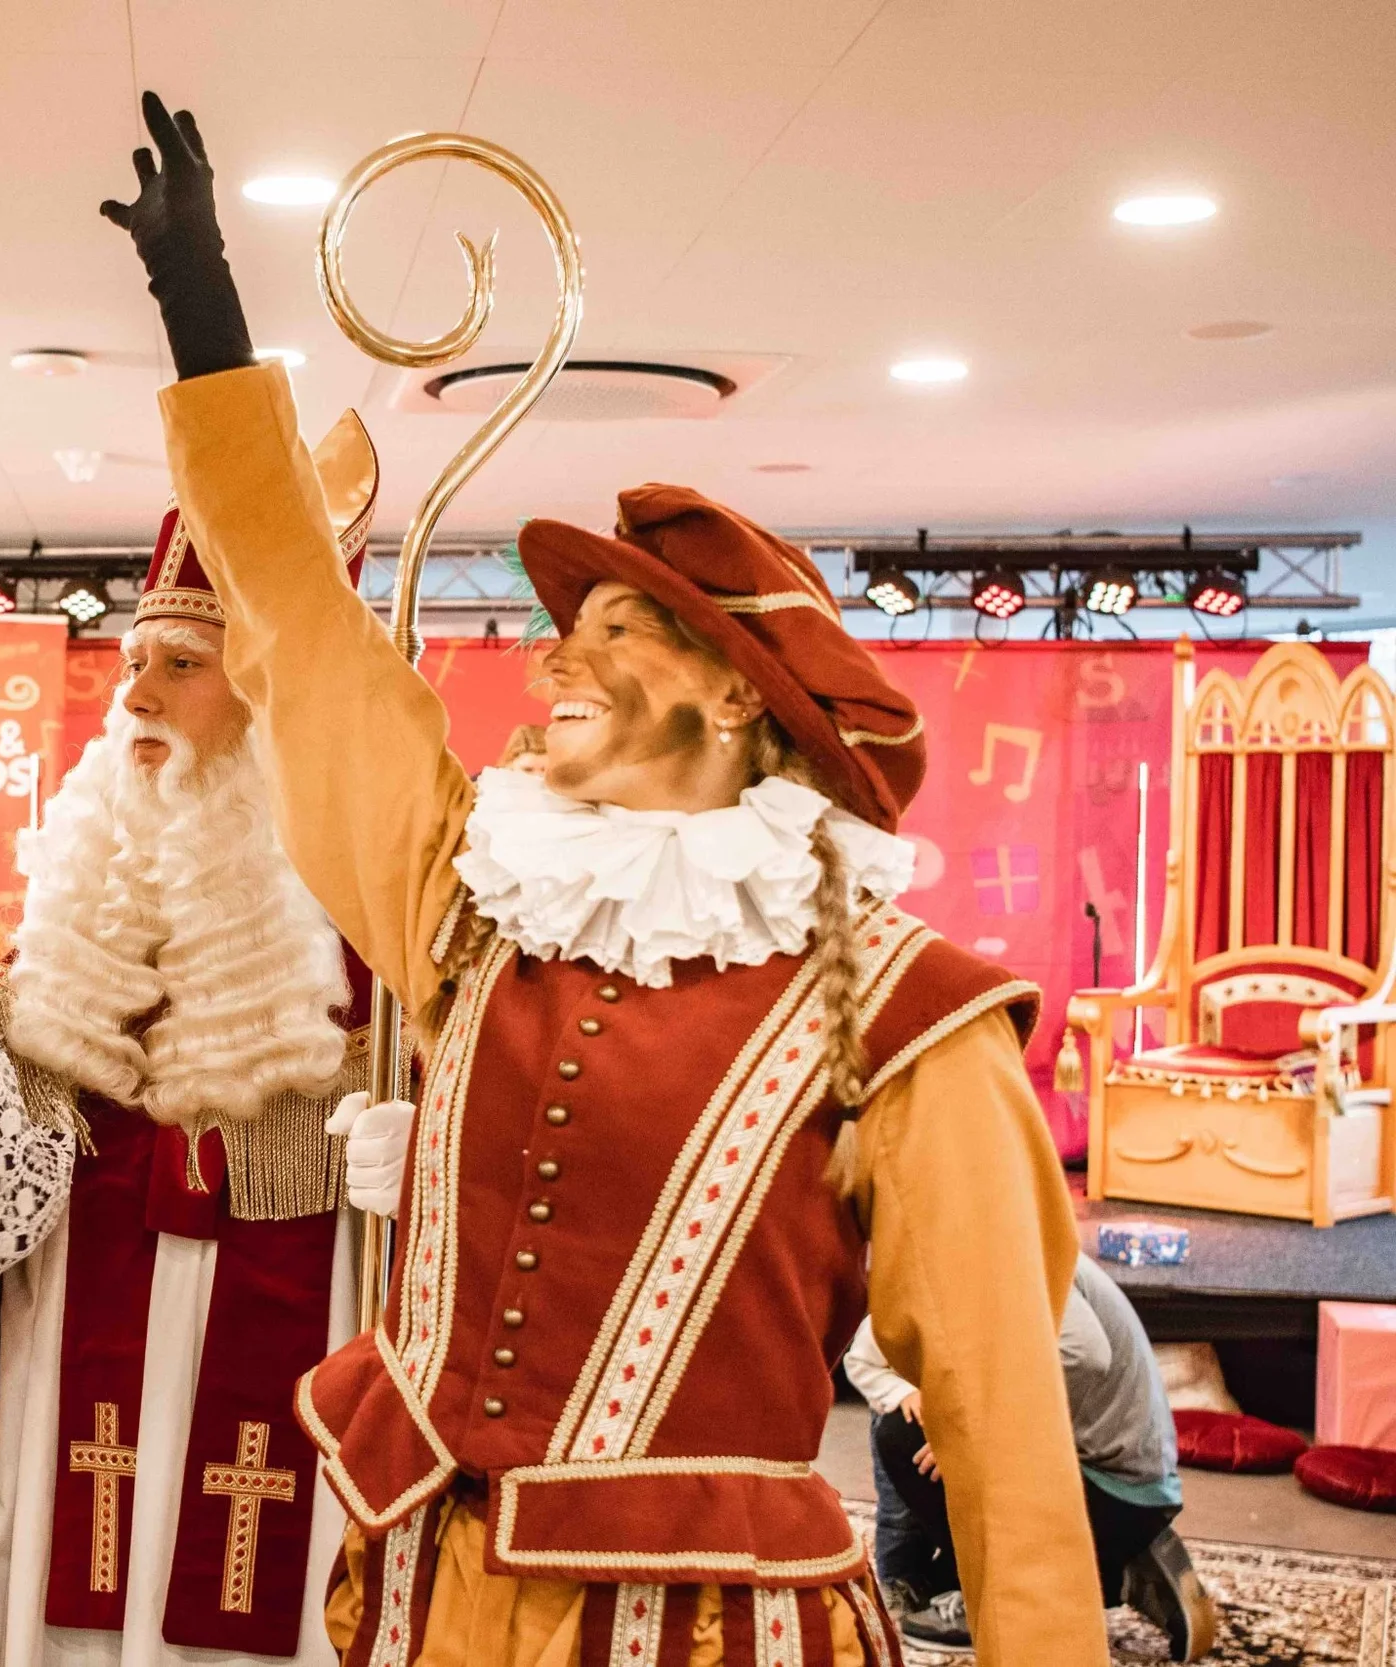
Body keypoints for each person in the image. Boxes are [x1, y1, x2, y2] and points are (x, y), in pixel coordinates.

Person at [102, 91, 1110, 1666]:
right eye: (564, 632)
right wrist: (204, 315)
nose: (555, 660)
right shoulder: (472, 901)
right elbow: (297, 623)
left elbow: (1000, 1415)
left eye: (616, 634)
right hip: (432, 1600)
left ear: (740, 701)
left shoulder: (912, 1018)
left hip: (702, 1628)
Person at [0, 448, 388, 1667]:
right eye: (133, 662)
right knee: (58, 1563)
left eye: (181, 665)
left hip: (288, 1309)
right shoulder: (85, 887)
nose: (136, 695)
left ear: (268, 689)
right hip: (75, 1311)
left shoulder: (369, 905)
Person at [846, 1258, 1217, 1660]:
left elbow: (1083, 1355)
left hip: (1106, 1490)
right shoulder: (1022, 1245)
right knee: (915, 1415)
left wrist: (976, 1431)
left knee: (902, 1434)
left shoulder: (1003, 1254)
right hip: (1128, 1490)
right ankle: (1119, 1562)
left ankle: (1003, 1601)